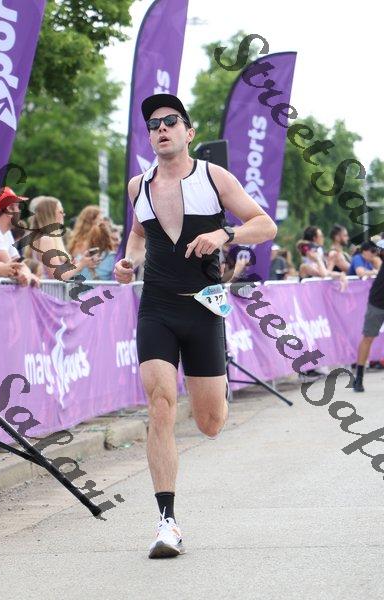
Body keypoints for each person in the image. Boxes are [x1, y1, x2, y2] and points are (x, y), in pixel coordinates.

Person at [114, 93, 277, 559]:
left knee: (210, 423)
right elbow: (139, 234)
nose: (161, 128)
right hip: (157, 308)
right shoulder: (138, 186)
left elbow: (265, 225)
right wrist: (129, 262)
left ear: (189, 132)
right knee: (160, 404)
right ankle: (167, 522)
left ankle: (214, 395)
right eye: (154, 124)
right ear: (149, 137)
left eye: (171, 121)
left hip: (204, 309)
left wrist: (224, 233)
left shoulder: (214, 177)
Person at [26, 196, 100, 280]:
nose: (63, 215)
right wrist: (81, 264)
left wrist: (74, 265)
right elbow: (56, 275)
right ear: (51, 214)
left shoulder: (45, 238)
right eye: (60, 212)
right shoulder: (46, 239)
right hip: (49, 288)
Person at [0, 187, 39, 286]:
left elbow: (19, 262)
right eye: (18, 207)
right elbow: (13, 266)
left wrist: (28, 274)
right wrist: (27, 274)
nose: (20, 211)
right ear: (9, 209)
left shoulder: (6, 233)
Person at [353, 238, 384, 392]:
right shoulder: (380, 252)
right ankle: (359, 377)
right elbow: (377, 242)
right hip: (378, 300)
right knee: (368, 337)